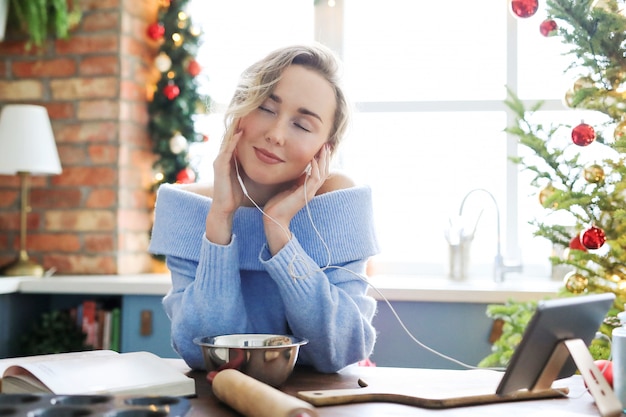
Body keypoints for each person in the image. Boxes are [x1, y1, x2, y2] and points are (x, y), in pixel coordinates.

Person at [149, 43, 379, 373]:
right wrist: (220, 220)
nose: (275, 134)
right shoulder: (188, 206)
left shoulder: (337, 201)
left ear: (324, 150)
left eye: (301, 125)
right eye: (266, 109)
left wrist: (280, 231)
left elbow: (339, 350)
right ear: (242, 108)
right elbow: (201, 351)